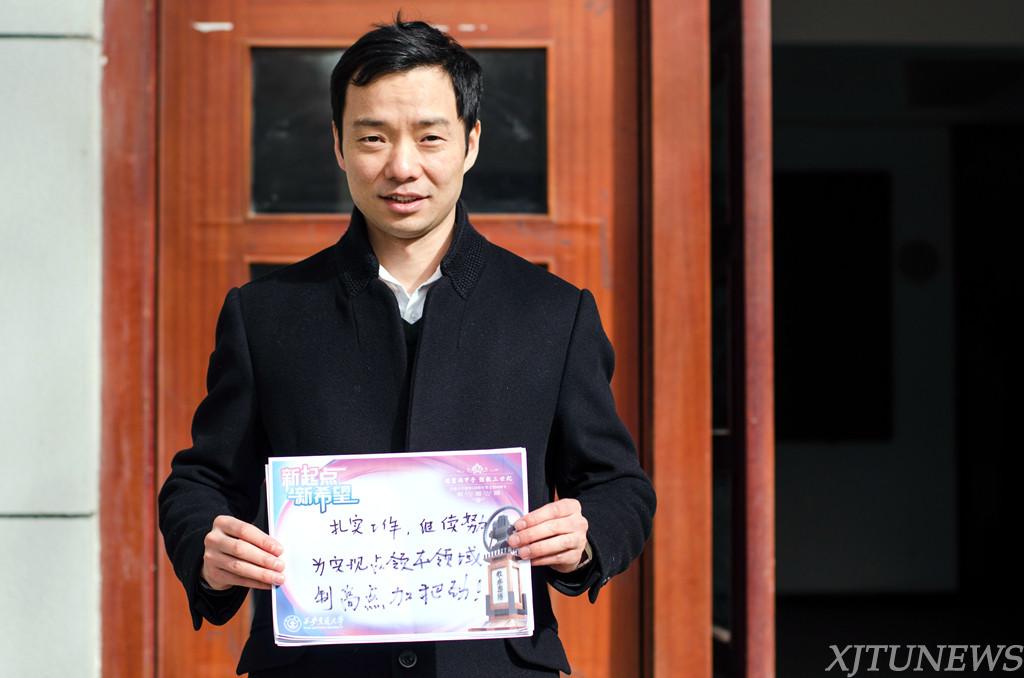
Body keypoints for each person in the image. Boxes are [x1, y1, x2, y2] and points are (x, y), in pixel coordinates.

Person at [159, 16, 655, 678]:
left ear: (470, 143)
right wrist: (208, 548)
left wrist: (587, 534)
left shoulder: (552, 313)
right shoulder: (266, 314)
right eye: (372, 137)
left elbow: (618, 485)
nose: (401, 167)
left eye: (430, 137)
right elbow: (202, 481)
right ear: (338, 146)